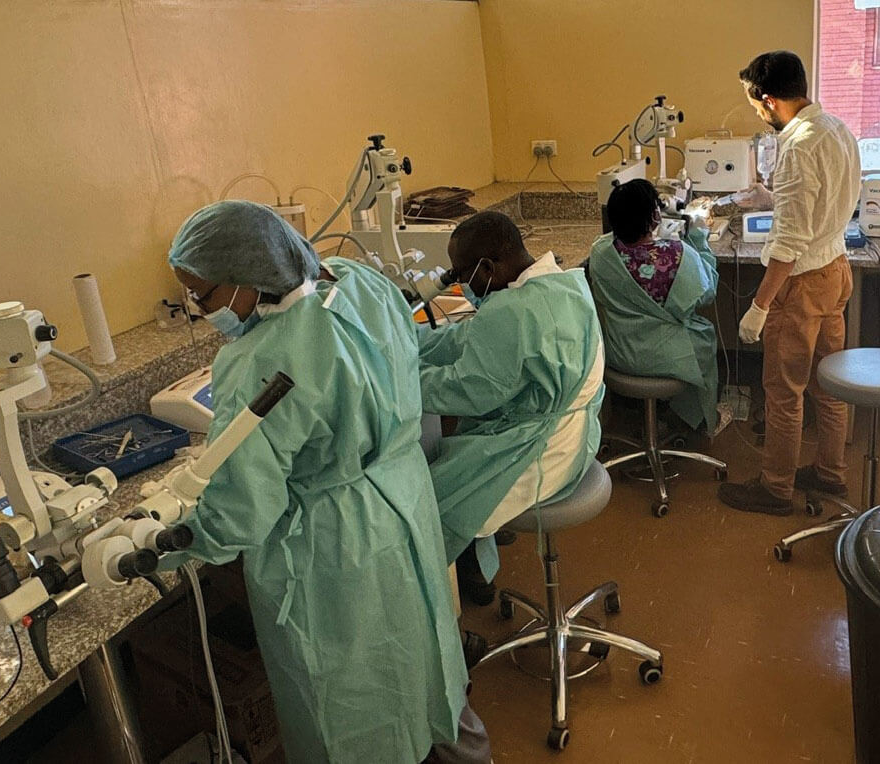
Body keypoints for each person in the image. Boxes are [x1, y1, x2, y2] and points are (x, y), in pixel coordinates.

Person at [165, 200, 489, 764]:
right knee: (426, 656)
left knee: (350, 701)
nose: (200, 308)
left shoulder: (257, 365)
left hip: (333, 548)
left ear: (246, 277)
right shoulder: (362, 282)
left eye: (203, 295)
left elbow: (238, 511)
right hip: (403, 498)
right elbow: (405, 357)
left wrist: (164, 541)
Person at [419, 211, 604, 602]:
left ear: (487, 267)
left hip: (543, 453)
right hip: (578, 435)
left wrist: (400, 379)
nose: (460, 285)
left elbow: (469, 389)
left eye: (461, 275)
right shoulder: (562, 283)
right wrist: (407, 342)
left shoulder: (512, 311)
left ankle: (448, 600)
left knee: (428, 504)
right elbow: (465, 338)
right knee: (456, 461)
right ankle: (474, 561)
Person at [717, 51, 861, 515]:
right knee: (829, 385)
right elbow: (821, 201)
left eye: (756, 106)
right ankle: (829, 474)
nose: (758, 114)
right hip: (836, 270)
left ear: (771, 100)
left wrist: (759, 307)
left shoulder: (797, 146)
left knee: (784, 391)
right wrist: (771, 196)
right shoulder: (836, 129)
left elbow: (789, 244)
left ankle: (775, 488)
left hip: (799, 284)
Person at [586, 178, 721, 434]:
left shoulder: (601, 253)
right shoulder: (679, 254)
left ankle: (655, 420)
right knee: (704, 337)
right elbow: (708, 293)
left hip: (620, 355)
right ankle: (687, 420)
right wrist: (698, 237)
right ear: (655, 216)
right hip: (671, 359)